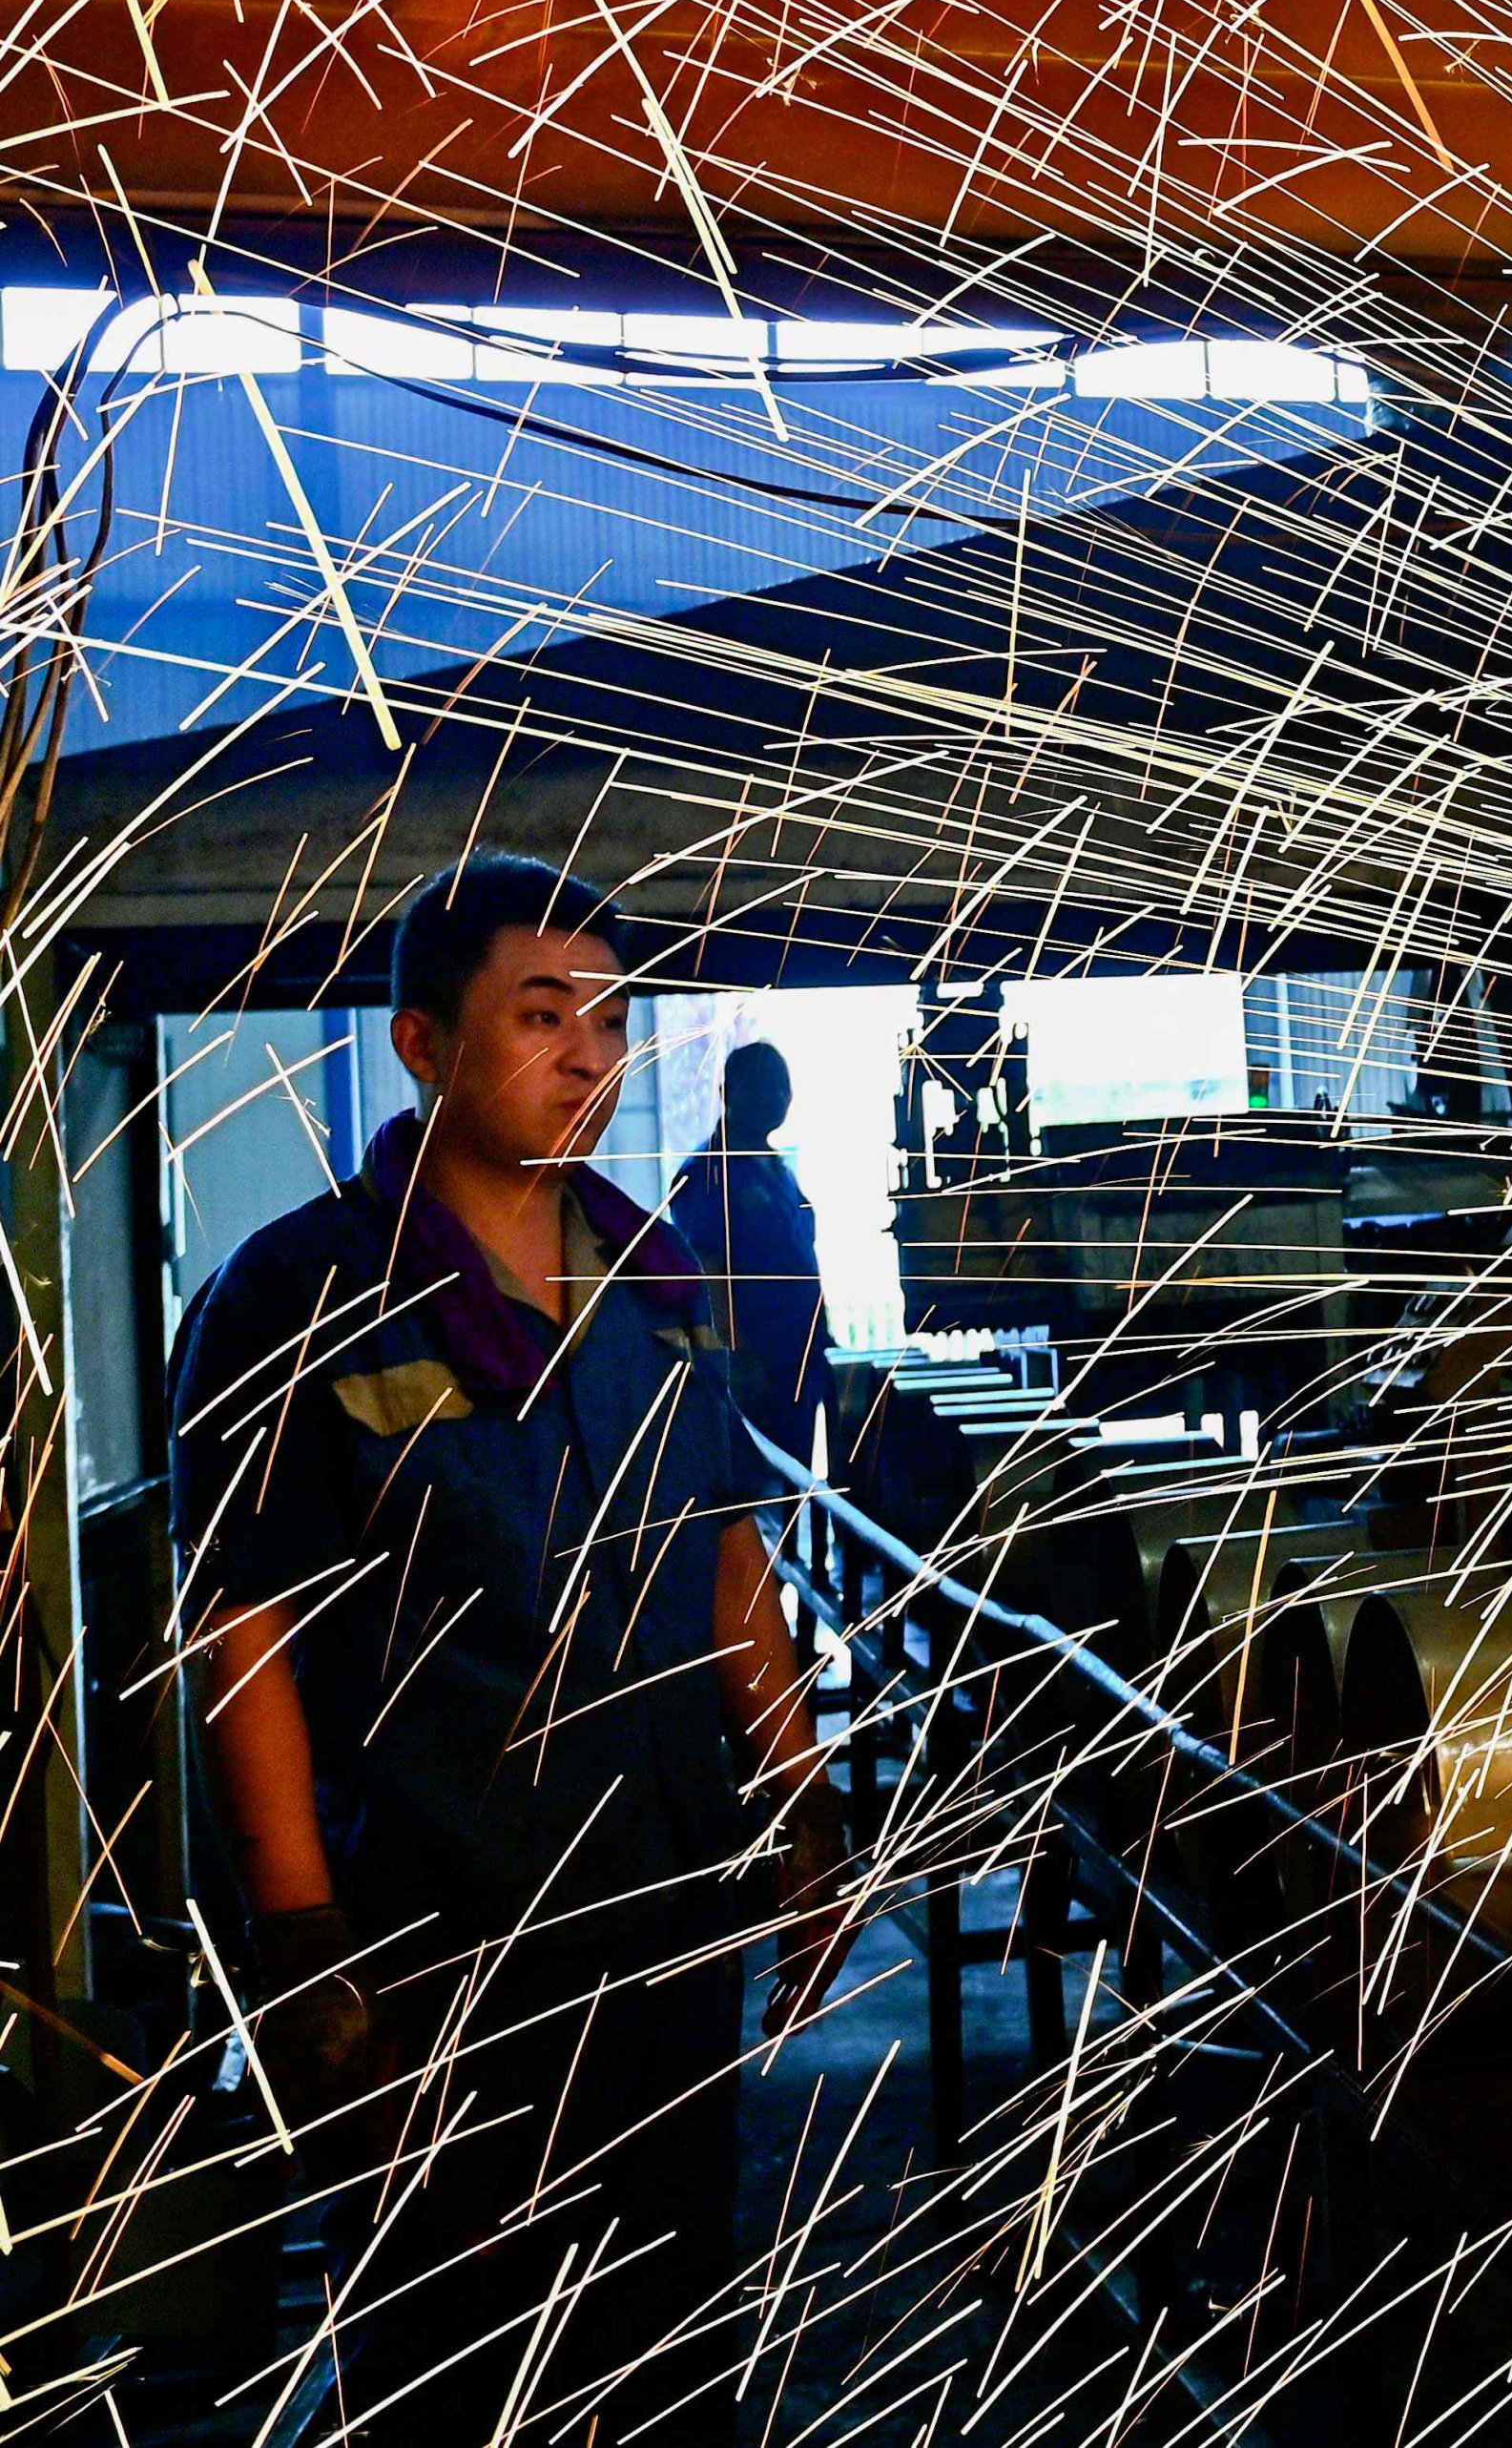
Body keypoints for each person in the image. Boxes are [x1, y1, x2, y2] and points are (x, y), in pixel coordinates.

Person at [172, 855, 856, 2446]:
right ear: (421, 1043)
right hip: (436, 1942)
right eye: (542, 1016)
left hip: (662, 1916)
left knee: (668, 2331)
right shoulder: (299, 1296)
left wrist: (805, 1810)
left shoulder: (660, 1286)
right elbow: (245, 1627)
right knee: (449, 2353)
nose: (587, 1057)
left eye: (610, 1022)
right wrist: (304, 1946)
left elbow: (726, 1557)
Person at [671, 1039, 828, 1475]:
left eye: (782, 1086)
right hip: (756, 1363)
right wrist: (734, 1359)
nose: (775, 1097)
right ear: (727, 1092)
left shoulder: (775, 1166)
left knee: (796, 1472)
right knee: (756, 1486)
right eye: (761, 1085)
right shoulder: (706, 1171)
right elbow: (708, 1269)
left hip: (799, 1351)